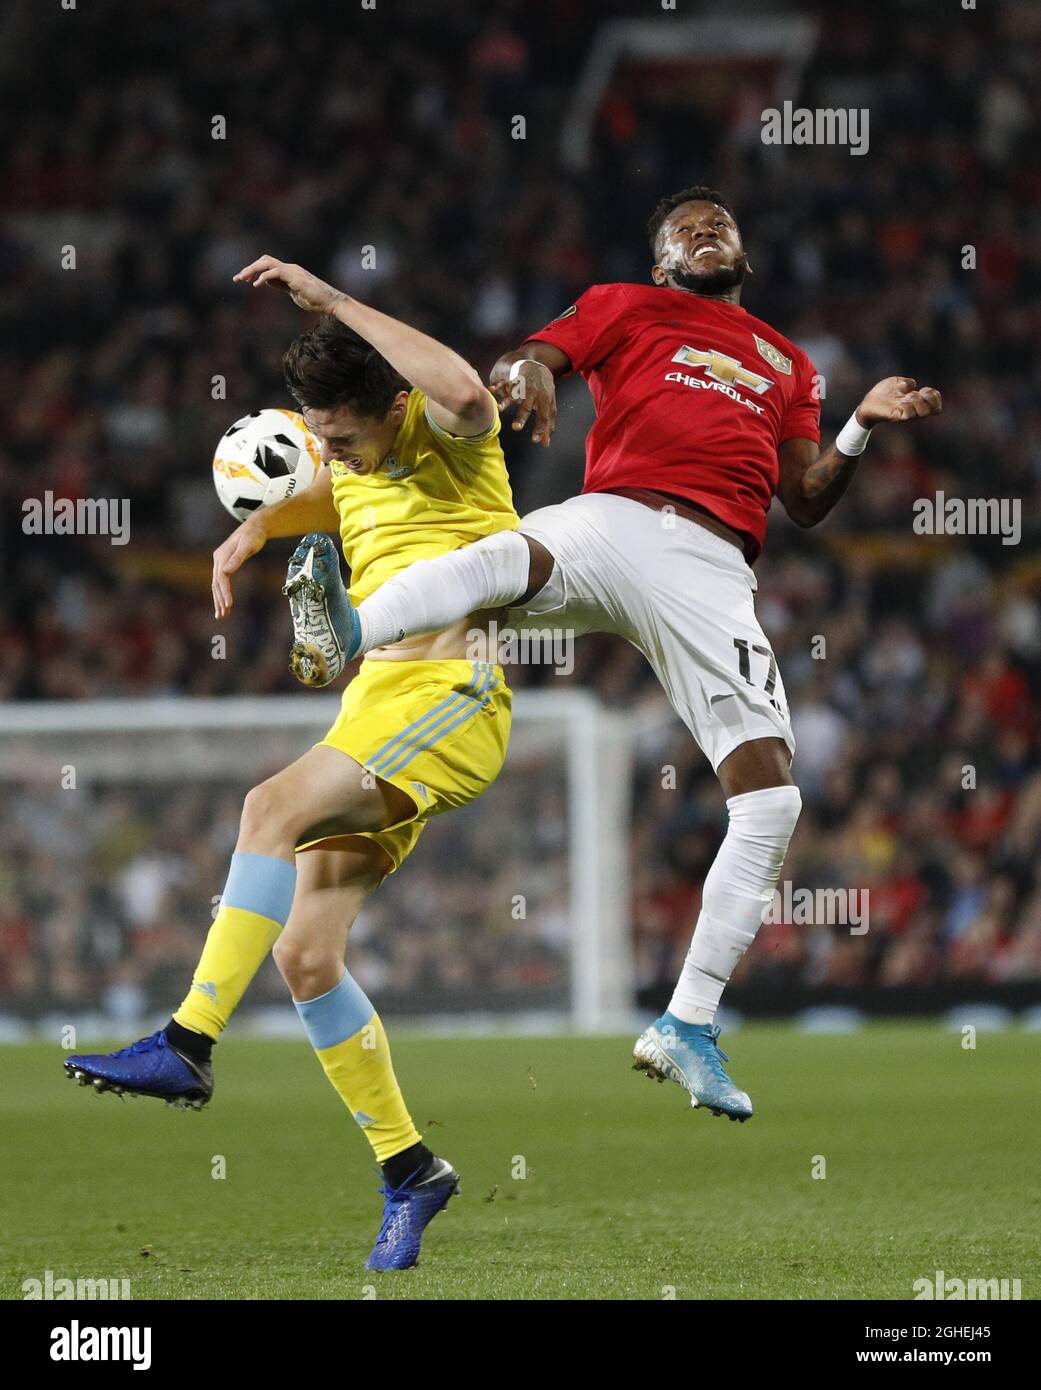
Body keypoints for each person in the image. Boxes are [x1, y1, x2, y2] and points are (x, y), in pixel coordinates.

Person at [292, 187, 943, 1121]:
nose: (704, 230)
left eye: (718, 223)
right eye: (684, 228)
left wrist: (857, 426)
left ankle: (686, 1022)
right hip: (618, 516)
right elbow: (529, 356)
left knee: (770, 800)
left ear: (742, 254)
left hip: (712, 565)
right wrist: (526, 375)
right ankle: (350, 628)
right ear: (660, 262)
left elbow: (803, 498)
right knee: (494, 564)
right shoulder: (624, 306)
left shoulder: (787, 363)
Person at [65, 256, 520, 1269]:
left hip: (453, 696)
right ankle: (411, 1169)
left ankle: (185, 1043)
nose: (333, 455)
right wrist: (254, 531)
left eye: (344, 436)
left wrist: (332, 300)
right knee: (306, 955)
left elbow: (465, 392)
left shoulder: (452, 445)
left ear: (389, 410)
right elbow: (330, 503)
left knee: (265, 804)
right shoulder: (348, 466)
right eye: (319, 437)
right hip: (377, 709)